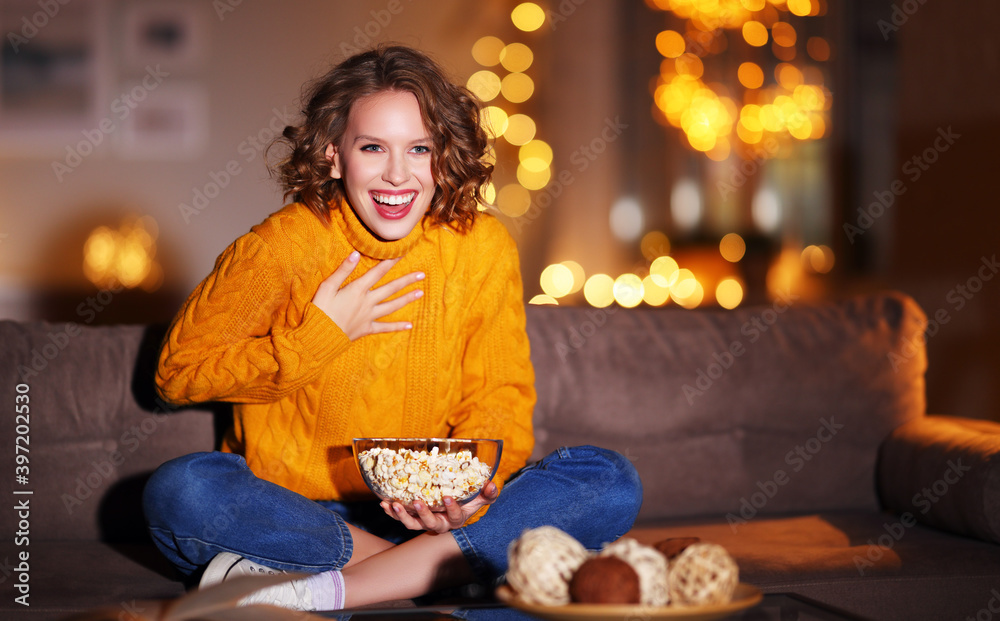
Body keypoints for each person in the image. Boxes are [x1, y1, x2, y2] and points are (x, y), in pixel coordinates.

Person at [142, 45, 642, 612]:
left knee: (608, 479)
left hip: (436, 517)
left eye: (420, 148)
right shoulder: (280, 248)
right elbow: (175, 374)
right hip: (297, 515)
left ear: (443, 154)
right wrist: (320, 334)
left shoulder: (482, 249)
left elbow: (498, 397)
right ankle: (443, 578)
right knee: (182, 490)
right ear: (334, 155)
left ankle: (334, 588)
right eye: (373, 147)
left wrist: (466, 495)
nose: (398, 174)